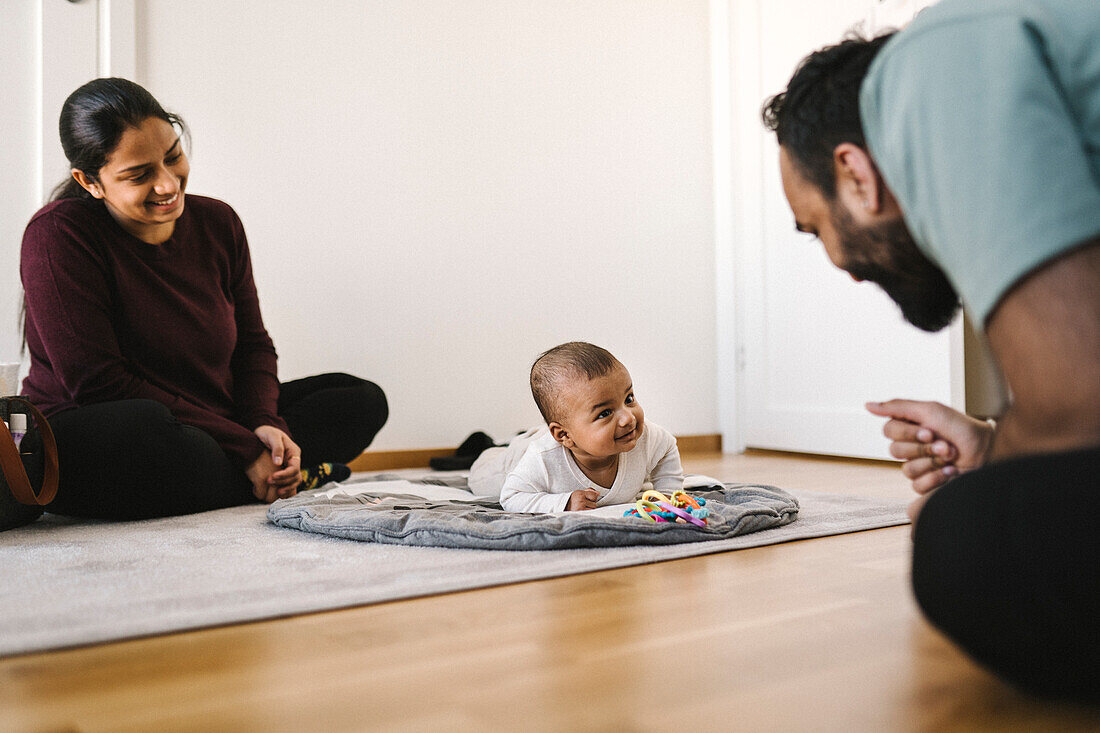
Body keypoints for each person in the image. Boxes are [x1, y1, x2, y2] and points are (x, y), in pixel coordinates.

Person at [761, 0, 1100, 701]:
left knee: (966, 537)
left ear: (855, 172)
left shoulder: (936, 59)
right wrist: (997, 444)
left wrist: (994, 472)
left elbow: (1079, 396)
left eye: (814, 227)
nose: (837, 261)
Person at [18, 78, 388, 521]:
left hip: (214, 422)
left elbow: (253, 344)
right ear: (90, 182)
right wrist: (245, 447)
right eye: (139, 175)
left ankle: (251, 477)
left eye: (173, 157)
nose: (167, 183)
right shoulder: (58, 235)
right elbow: (97, 384)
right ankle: (265, 478)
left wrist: (265, 425)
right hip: (103, 428)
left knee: (359, 399)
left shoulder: (219, 222)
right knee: (147, 432)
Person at [484, 341, 683, 513]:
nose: (628, 418)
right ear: (564, 435)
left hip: (555, 435)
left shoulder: (646, 436)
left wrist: (667, 495)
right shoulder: (543, 459)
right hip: (511, 459)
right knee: (485, 476)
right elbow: (511, 497)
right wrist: (563, 502)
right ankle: (493, 445)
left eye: (628, 398)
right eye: (605, 413)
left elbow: (667, 447)